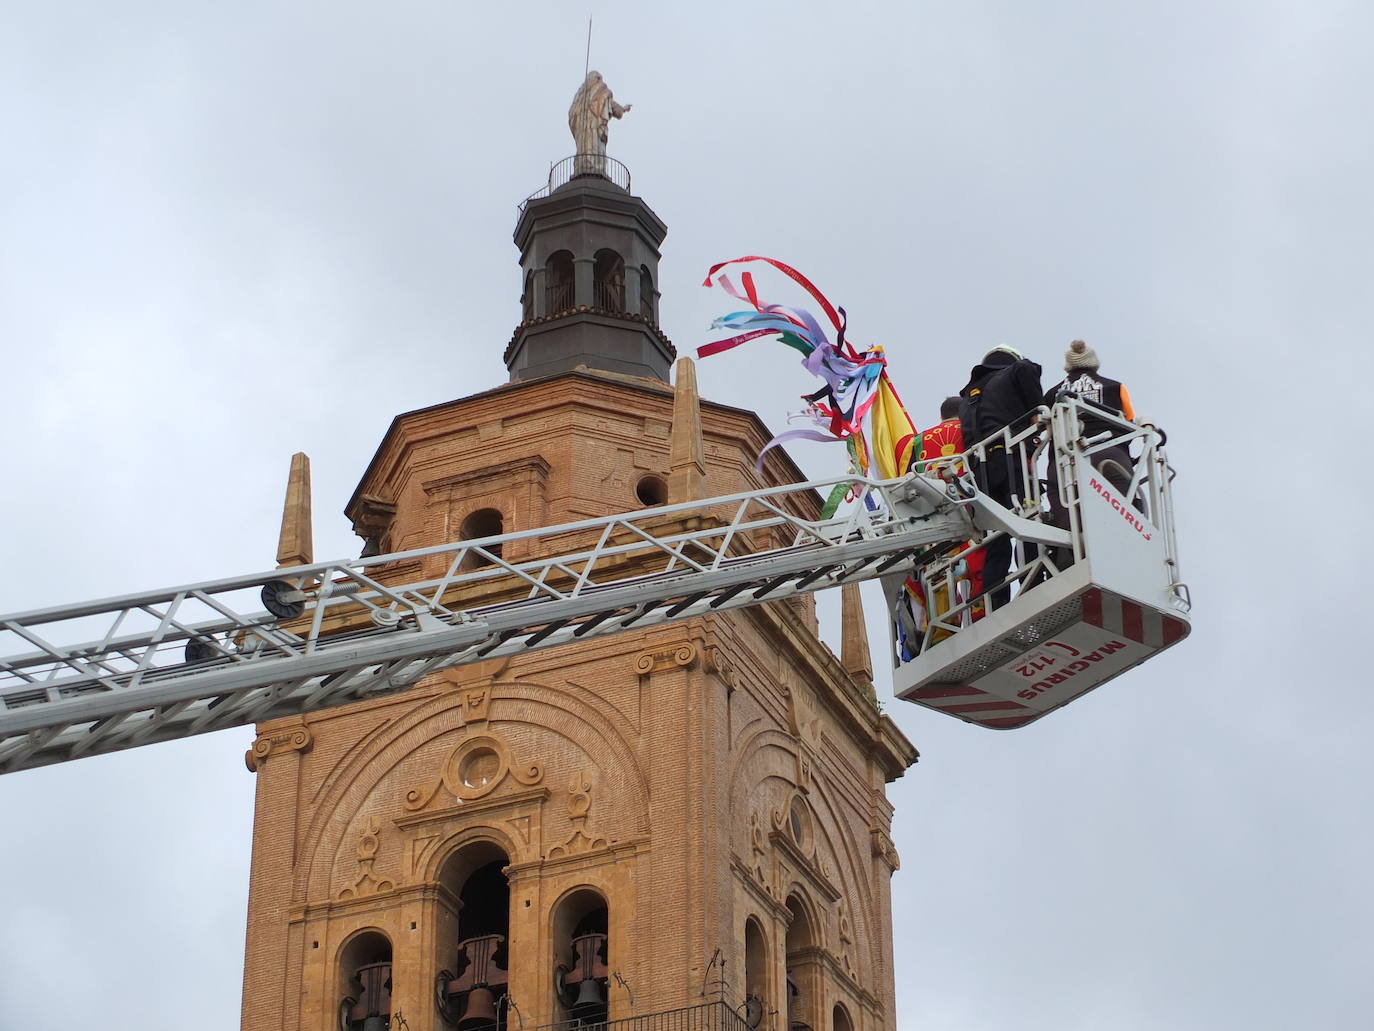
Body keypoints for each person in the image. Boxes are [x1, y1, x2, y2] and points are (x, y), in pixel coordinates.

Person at [958, 346, 1043, 609]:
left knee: (997, 539)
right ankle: (1035, 586)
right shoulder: (1015, 371)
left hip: (981, 475)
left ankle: (995, 600)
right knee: (1029, 521)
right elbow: (1028, 369)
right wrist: (1038, 411)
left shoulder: (968, 398)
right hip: (1012, 461)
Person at [568, 71, 632, 176]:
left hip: (590, 129)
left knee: (590, 146)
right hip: (591, 129)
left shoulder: (580, 97)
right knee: (592, 146)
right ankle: (593, 167)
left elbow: (571, 116)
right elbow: (614, 107)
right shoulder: (598, 92)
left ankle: (587, 166)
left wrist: (622, 109)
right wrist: (622, 109)